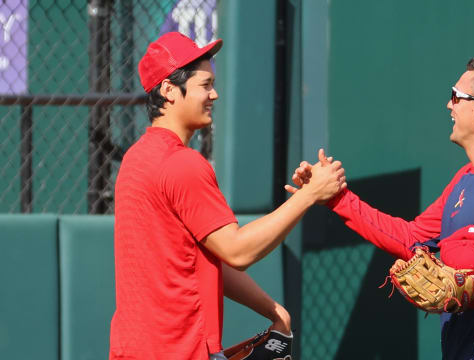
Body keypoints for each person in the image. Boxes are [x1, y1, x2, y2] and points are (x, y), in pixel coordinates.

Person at [286, 58, 474, 359]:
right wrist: (336, 198)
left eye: (456, 96)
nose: (449, 105)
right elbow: (411, 237)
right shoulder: (464, 178)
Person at [109, 32, 346, 360]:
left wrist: (274, 311)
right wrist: (308, 196)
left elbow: (207, 259)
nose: (214, 94)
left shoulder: (135, 160)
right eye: (204, 85)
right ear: (168, 91)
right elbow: (237, 250)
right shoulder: (182, 163)